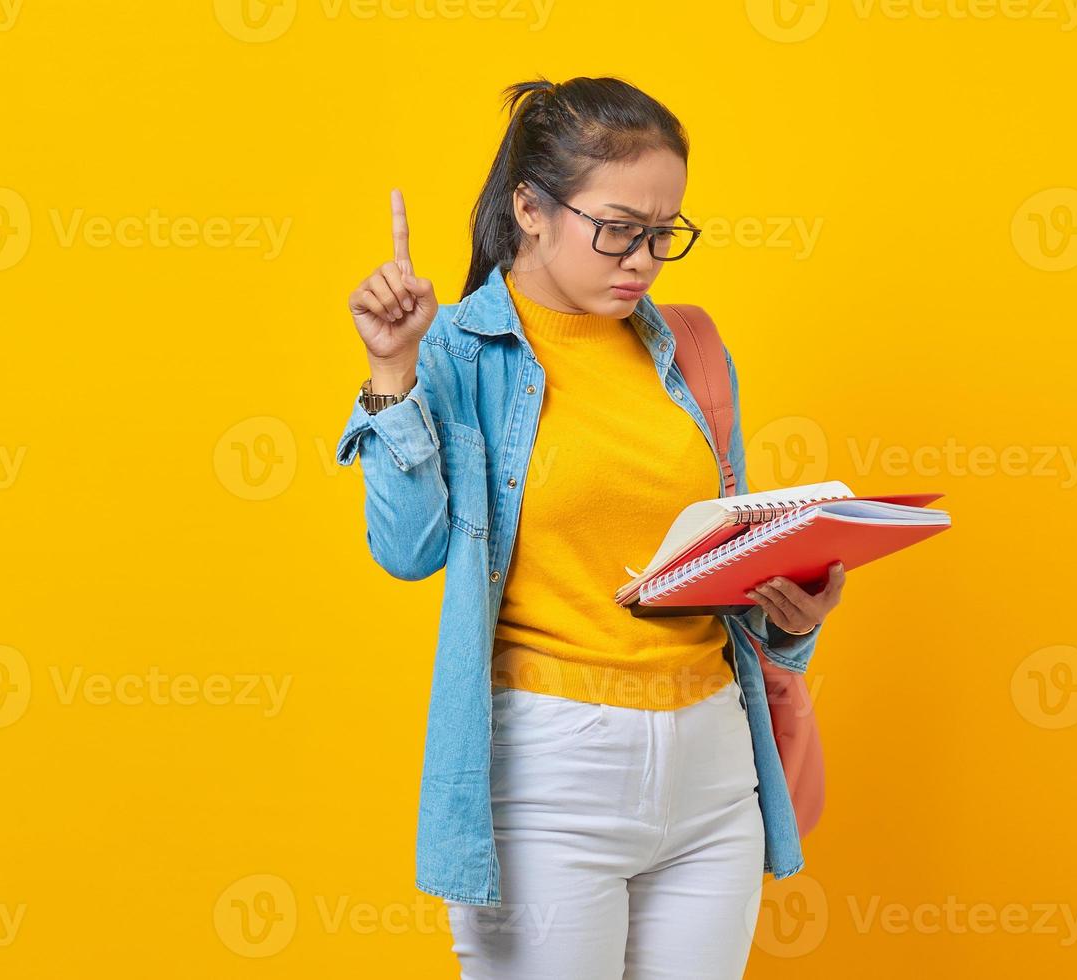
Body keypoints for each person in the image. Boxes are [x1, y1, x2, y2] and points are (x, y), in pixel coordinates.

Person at [338, 75, 846, 979]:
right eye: (617, 228)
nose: (642, 259)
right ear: (531, 208)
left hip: (714, 769)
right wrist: (393, 372)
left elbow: (715, 550)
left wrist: (788, 612)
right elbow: (407, 550)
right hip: (548, 773)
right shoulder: (453, 351)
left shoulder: (691, 345)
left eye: (663, 234)